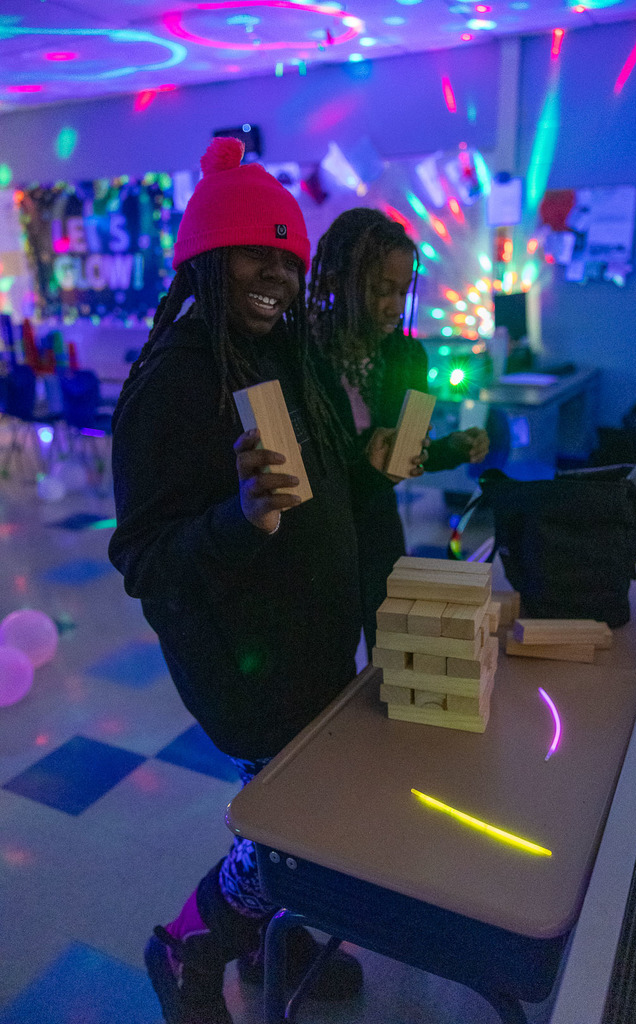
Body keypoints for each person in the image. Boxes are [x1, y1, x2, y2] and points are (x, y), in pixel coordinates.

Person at [109, 139, 378, 1024]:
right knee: (296, 827)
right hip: (244, 660)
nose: (276, 274)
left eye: (288, 257)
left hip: (315, 639)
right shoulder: (174, 383)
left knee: (304, 820)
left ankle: (277, 935)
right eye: (256, 254)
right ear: (205, 261)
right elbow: (144, 560)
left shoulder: (286, 355)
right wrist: (236, 521)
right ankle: (189, 939)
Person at [308, 207, 490, 653]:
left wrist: (451, 448)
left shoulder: (408, 357)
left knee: (391, 651)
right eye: (380, 291)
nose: (394, 307)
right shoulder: (301, 357)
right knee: (325, 657)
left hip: (376, 525)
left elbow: (407, 453)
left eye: (402, 291)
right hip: (316, 533)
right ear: (334, 281)